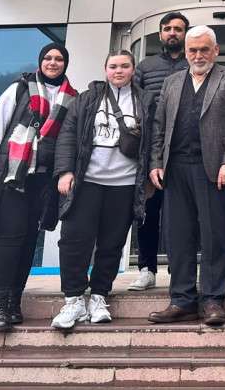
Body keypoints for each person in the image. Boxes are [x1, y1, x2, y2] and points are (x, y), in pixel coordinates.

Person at [0, 43, 77, 332]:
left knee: (30, 239)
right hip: (14, 176)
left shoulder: (72, 97)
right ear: (40, 61)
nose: (53, 63)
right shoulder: (19, 89)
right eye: (48, 58)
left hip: (45, 181)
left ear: (65, 64)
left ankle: (14, 301)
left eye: (59, 59)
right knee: (10, 236)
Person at [147, 25, 225, 327]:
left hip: (213, 169)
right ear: (186, 52)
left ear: (216, 51)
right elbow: (159, 125)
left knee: (214, 234)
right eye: (193, 50)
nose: (198, 55)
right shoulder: (172, 81)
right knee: (178, 236)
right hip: (175, 167)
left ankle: (213, 299)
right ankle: (182, 300)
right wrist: (155, 161)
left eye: (204, 49)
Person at [50, 50, 155, 330]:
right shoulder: (86, 99)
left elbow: (154, 140)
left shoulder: (146, 100)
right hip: (87, 182)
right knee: (74, 241)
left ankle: (99, 296)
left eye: (124, 66)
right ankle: (73, 299)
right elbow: (67, 135)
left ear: (133, 69)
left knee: (112, 244)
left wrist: (149, 175)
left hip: (124, 185)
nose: (118, 71)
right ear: (105, 69)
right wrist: (65, 171)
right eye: (113, 66)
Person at [129, 11, 190, 292]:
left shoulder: (194, 63)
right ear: (161, 34)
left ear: (185, 33)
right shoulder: (146, 66)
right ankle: (147, 269)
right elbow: (134, 104)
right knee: (148, 214)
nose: (172, 33)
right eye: (167, 29)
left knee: (184, 216)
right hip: (150, 151)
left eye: (178, 28)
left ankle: (182, 269)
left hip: (184, 150)